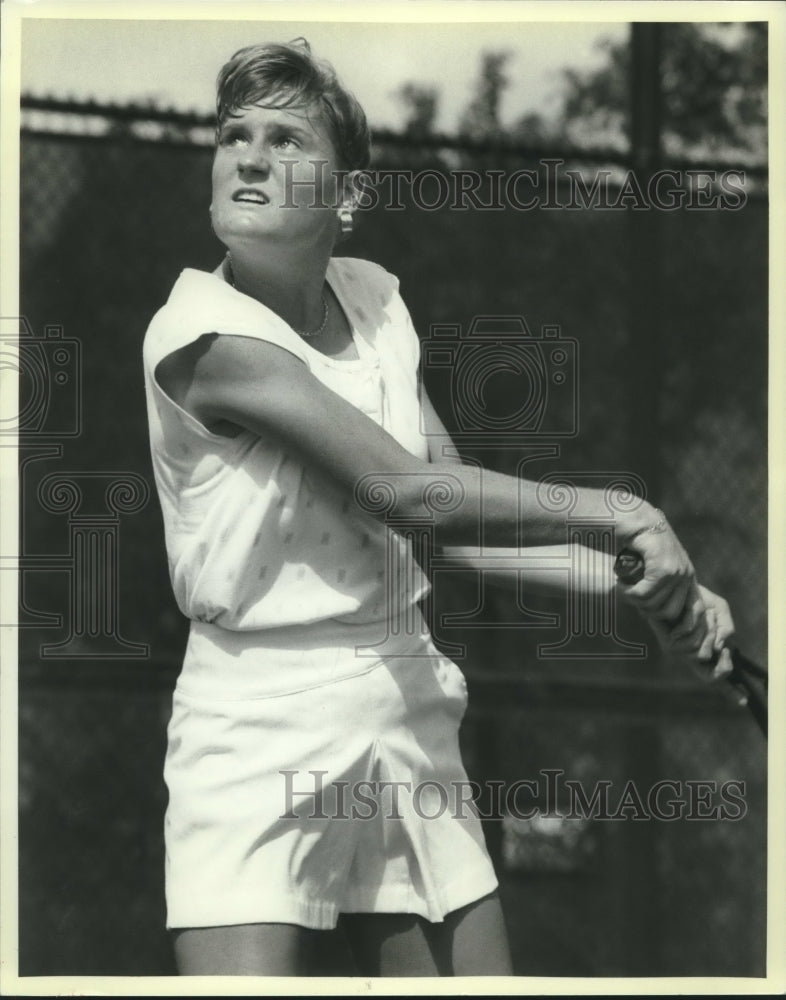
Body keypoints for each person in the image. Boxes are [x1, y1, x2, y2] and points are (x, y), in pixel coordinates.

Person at [142, 38, 734, 977]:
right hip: (250, 723)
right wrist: (620, 513)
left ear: (348, 195)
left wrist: (634, 595)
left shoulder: (376, 301)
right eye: (234, 135)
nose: (248, 156)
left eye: (286, 139)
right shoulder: (199, 336)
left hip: (405, 698)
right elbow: (413, 496)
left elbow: (456, 539)